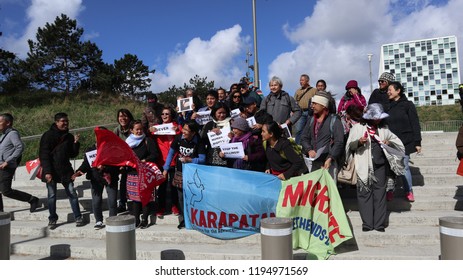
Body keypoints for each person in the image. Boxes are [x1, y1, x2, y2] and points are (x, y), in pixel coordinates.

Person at [345, 103, 405, 232]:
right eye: (375, 117)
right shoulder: (357, 128)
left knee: (380, 194)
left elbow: (397, 143)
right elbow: (350, 146)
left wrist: (388, 143)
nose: (377, 119)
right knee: (364, 193)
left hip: (380, 165)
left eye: (379, 117)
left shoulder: (384, 129)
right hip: (363, 165)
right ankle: (367, 223)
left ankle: (379, 224)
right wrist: (359, 143)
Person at [39, 112, 83, 229]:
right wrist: (47, 172)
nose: (65, 123)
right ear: (56, 122)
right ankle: (52, 218)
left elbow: (72, 154)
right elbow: (44, 155)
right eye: (63, 121)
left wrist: (75, 143)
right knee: (52, 196)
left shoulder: (68, 136)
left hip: (65, 170)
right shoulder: (48, 135)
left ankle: (78, 216)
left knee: (72, 193)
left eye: (67, 121)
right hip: (51, 170)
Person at [72, 127, 119, 230]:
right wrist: (79, 172)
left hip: (111, 178)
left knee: (112, 200)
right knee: (96, 201)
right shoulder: (90, 150)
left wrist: (105, 167)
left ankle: (112, 220)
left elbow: (116, 163)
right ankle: (98, 220)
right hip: (96, 178)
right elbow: (86, 164)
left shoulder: (112, 148)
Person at [162, 120, 206, 229]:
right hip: (180, 172)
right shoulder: (178, 139)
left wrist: (190, 160)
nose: (184, 132)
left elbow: (202, 159)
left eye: (187, 130)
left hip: (194, 175)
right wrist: (165, 168)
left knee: (193, 197)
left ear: (193, 133)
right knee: (181, 198)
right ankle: (184, 219)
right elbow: (171, 153)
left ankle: (195, 219)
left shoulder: (198, 142)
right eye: (184, 129)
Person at [387, 81, 422, 202]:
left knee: (404, 166)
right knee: (391, 168)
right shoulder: (388, 106)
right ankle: (390, 190)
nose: (388, 92)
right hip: (390, 142)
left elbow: (415, 123)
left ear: (398, 91)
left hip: (405, 141)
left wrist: (417, 142)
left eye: (390, 89)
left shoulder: (408, 105)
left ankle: (409, 191)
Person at [0, 113, 39, 213]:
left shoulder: (12, 134)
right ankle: (0, 212)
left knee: (6, 191)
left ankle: (32, 199)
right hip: (1, 166)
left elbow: (20, 147)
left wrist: (8, 161)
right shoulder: (3, 135)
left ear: (8, 123)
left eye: (0, 122)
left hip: (7, 167)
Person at [301, 91, 344, 180]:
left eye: (315, 103)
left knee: (328, 191)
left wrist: (330, 158)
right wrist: (309, 150)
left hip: (329, 164)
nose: (312, 106)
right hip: (314, 163)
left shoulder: (335, 121)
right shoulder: (311, 120)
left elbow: (339, 142)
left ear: (323, 105)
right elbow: (304, 137)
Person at [126, 120, 161, 228]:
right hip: (132, 173)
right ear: (131, 130)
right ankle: (136, 219)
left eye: (141, 129)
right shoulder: (127, 143)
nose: (139, 131)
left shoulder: (148, 140)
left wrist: (145, 160)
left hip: (145, 173)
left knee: (145, 197)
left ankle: (144, 219)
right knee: (135, 199)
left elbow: (155, 154)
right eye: (137, 129)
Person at [150, 106, 182, 217]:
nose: (164, 116)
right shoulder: (157, 128)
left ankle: (174, 206)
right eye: (163, 114)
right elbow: (148, 135)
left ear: (171, 115)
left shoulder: (177, 127)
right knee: (162, 186)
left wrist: (178, 130)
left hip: (174, 160)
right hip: (161, 161)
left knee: (174, 186)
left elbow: (183, 136)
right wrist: (150, 131)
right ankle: (161, 207)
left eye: (167, 114)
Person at [113, 108, 134, 213]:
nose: (123, 118)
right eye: (121, 116)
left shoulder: (134, 128)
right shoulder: (116, 130)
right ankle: (122, 203)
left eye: (125, 116)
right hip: (122, 160)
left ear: (129, 117)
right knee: (123, 182)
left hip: (134, 159)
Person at [294, 74, 318, 144]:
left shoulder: (314, 90)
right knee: (299, 130)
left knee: (310, 130)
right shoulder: (298, 91)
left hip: (311, 112)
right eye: (300, 80)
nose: (300, 82)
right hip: (300, 113)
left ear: (307, 81)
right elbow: (294, 102)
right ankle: (298, 146)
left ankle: (309, 147)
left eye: (302, 80)